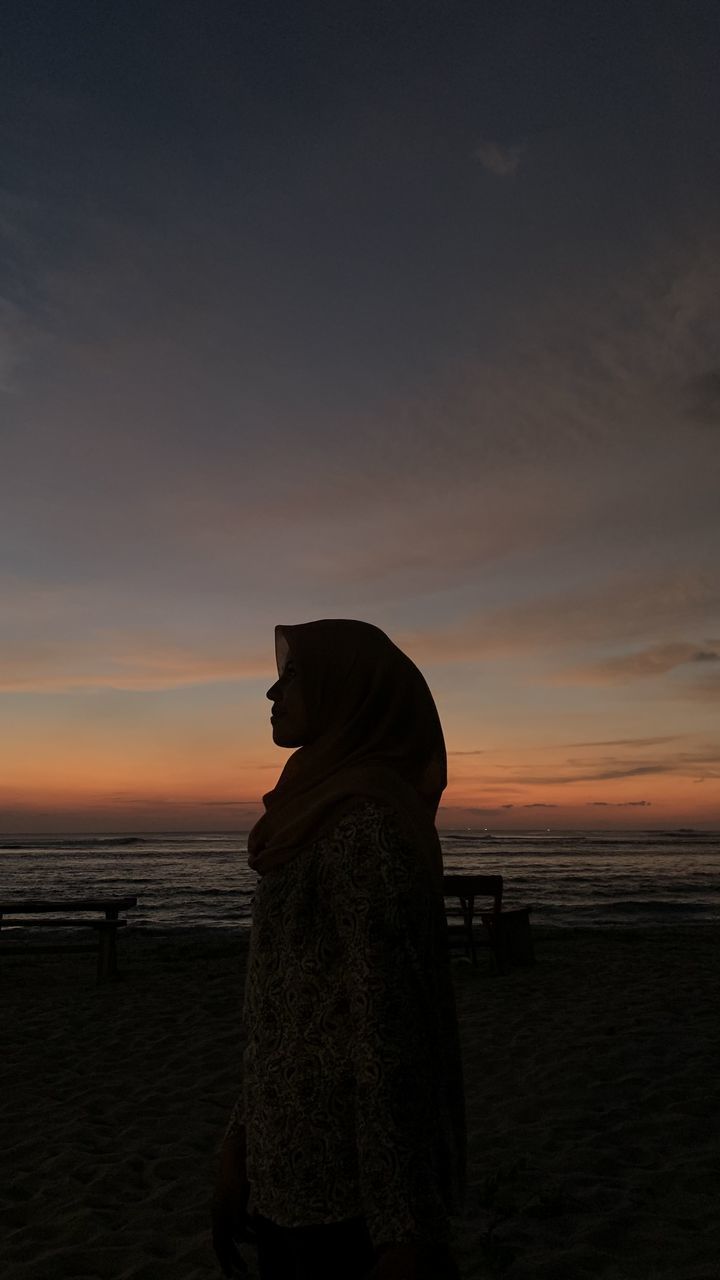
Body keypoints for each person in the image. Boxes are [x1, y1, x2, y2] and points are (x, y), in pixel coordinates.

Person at [211, 619, 467, 1280]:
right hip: (281, 1171)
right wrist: (241, 1138)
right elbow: (283, 1006)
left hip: (344, 1197)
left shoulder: (368, 829)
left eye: (293, 675)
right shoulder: (310, 810)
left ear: (346, 691)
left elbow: (391, 1030)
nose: (273, 691)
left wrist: (402, 1229)